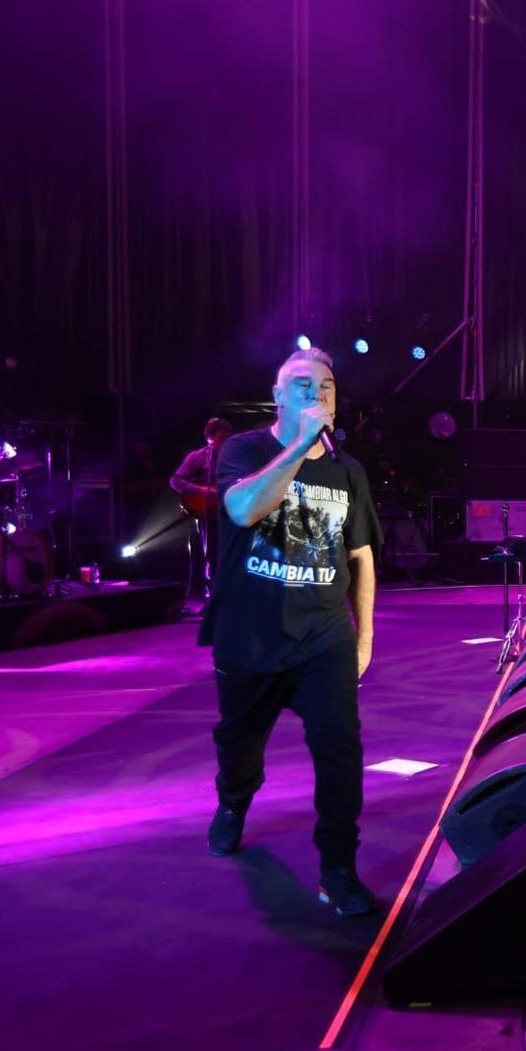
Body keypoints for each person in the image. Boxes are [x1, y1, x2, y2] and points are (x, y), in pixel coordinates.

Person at [200, 347, 381, 916]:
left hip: (322, 636)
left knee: (339, 749)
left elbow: (361, 557)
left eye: (326, 387)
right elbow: (243, 510)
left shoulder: (349, 470)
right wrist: (302, 445)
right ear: (277, 396)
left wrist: (365, 637)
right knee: (240, 744)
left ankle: (338, 868)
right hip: (249, 636)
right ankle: (234, 802)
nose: (317, 395)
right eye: (302, 385)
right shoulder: (243, 449)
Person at [170, 417, 235, 595]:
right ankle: (209, 593)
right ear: (209, 437)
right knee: (210, 555)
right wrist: (202, 490)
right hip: (205, 513)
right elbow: (176, 481)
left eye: (227, 437)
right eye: (221, 437)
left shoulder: (233, 458)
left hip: (228, 512)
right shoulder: (197, 457)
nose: (225, 441)